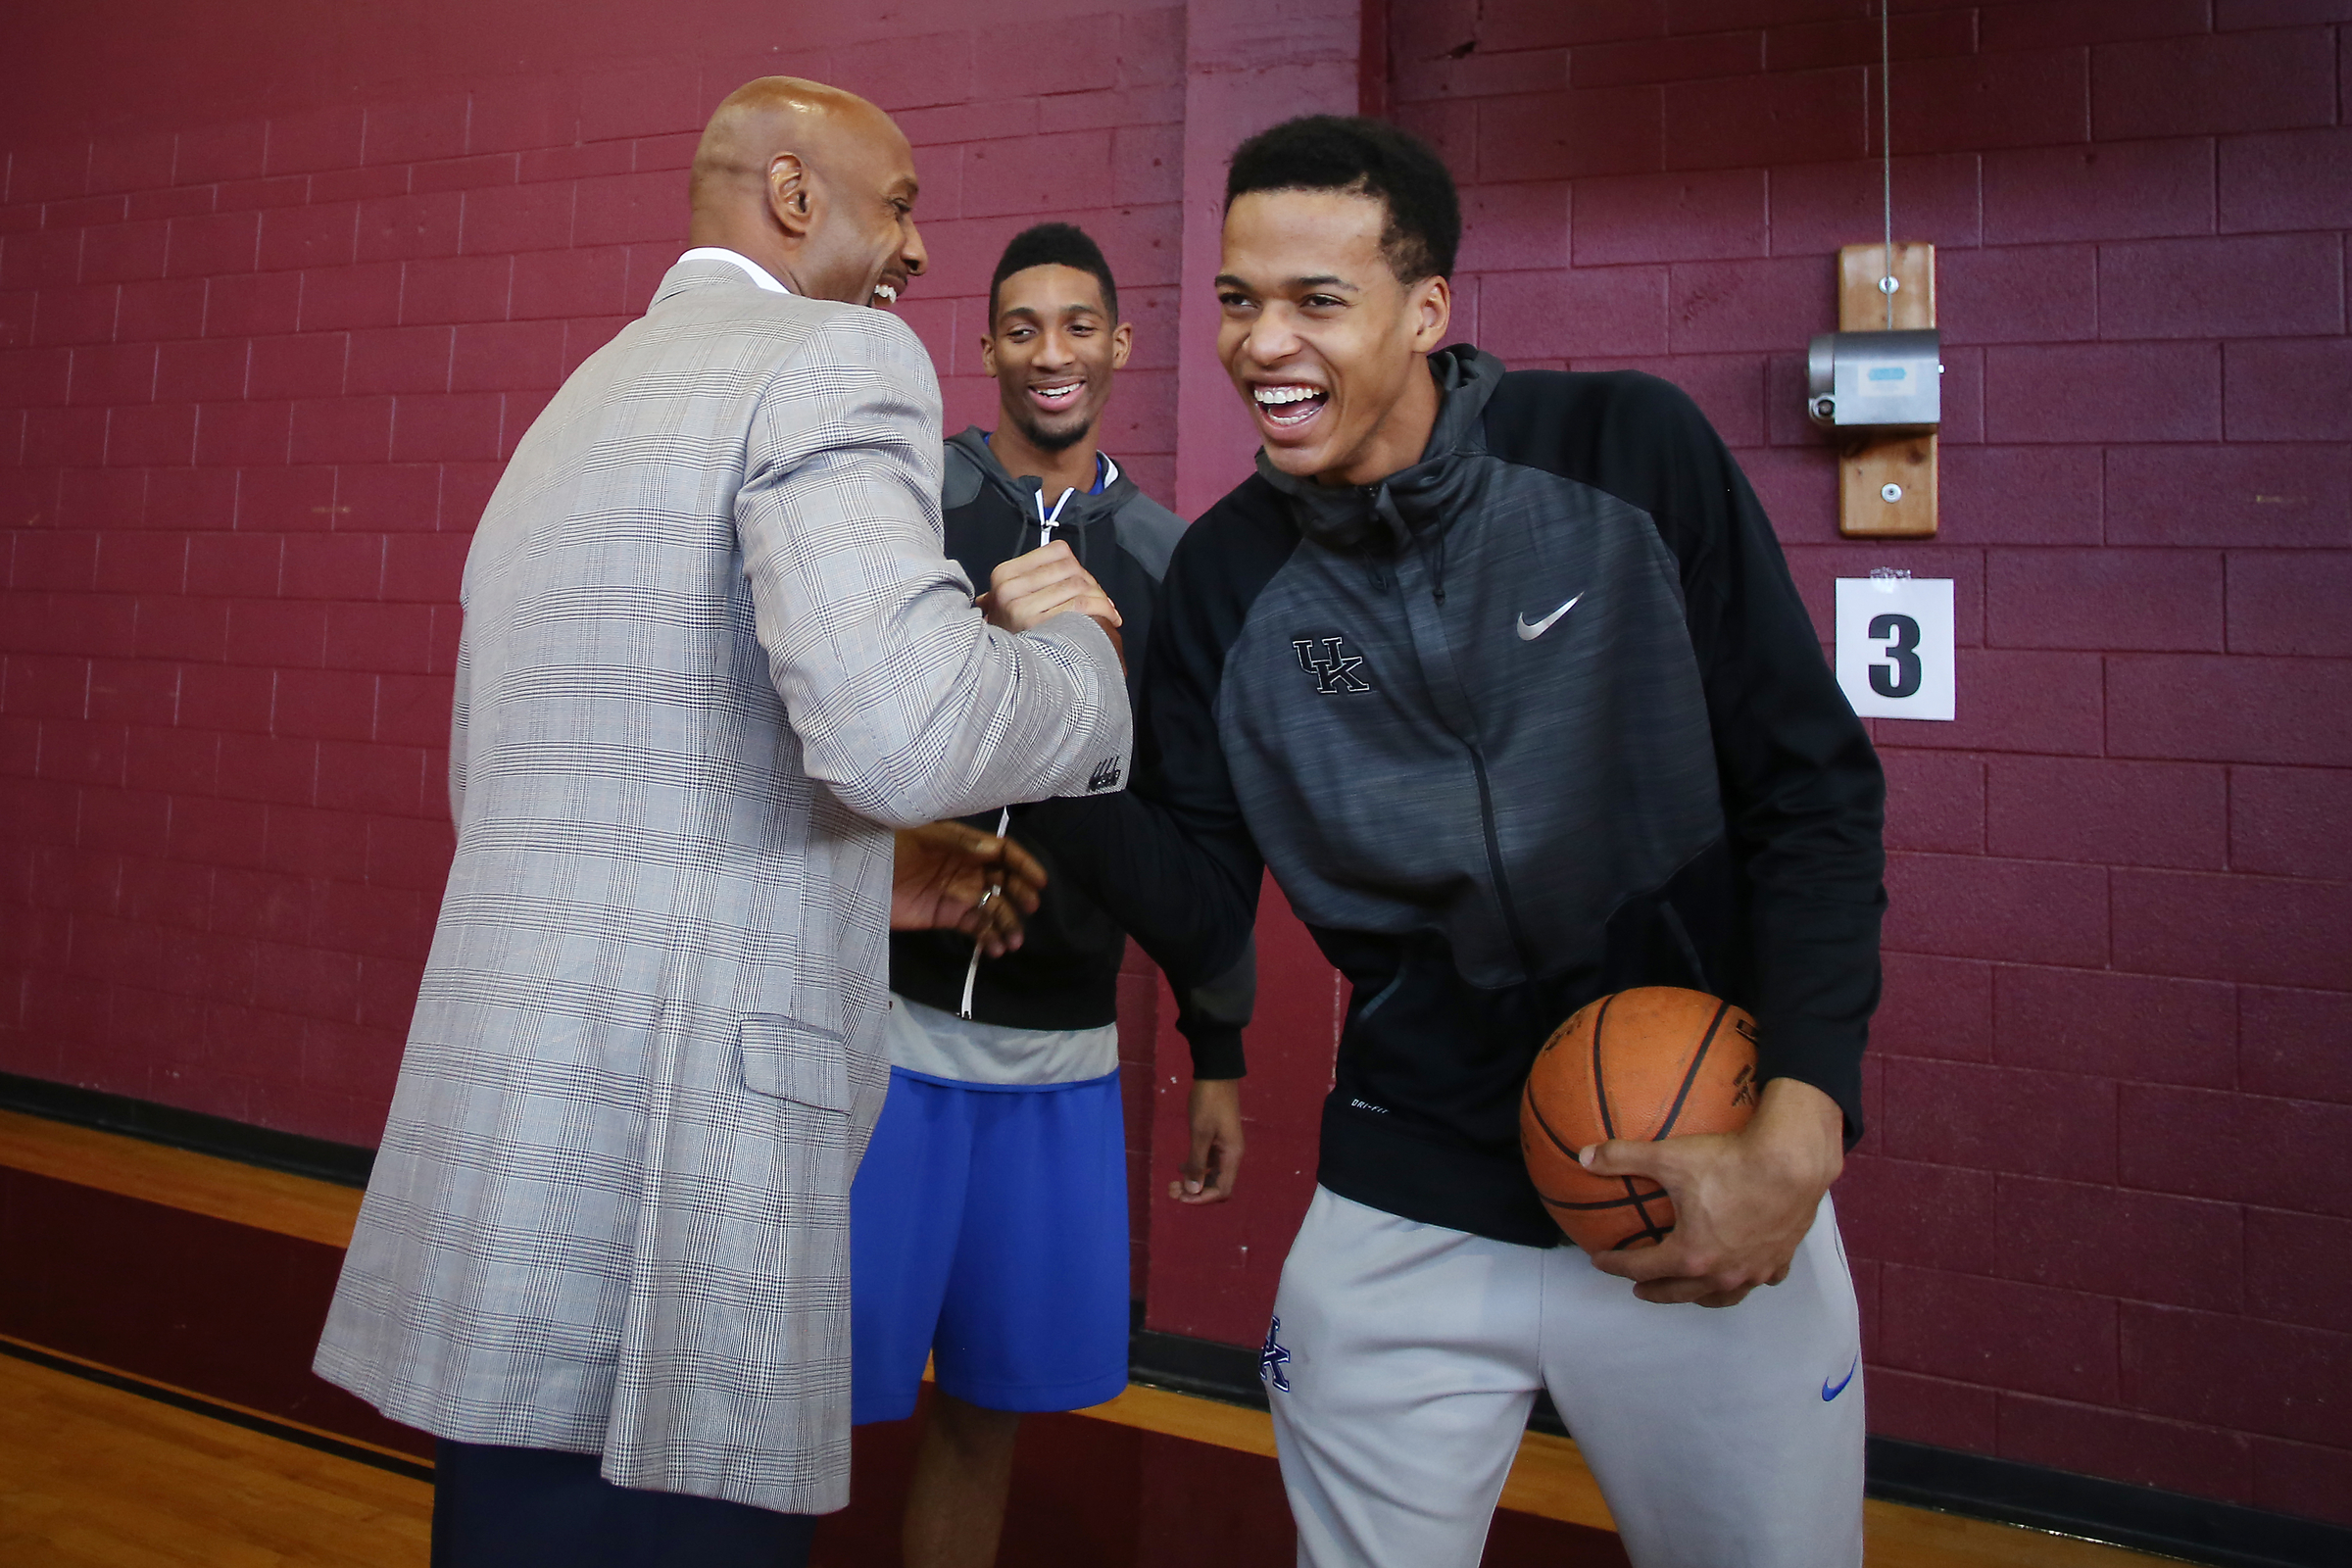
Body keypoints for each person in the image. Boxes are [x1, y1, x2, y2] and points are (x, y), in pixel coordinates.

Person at [313, 78, 1135, 1568]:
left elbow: (557, 772)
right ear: (796, 197)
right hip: (681, 1161)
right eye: (900, 207)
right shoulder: (836, 358)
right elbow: (909, 730)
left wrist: (851, 876)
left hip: (517, 1132)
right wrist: (1079, 661)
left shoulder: (579, 403)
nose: (920, 260)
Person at [1042, 117, 1885, 1567]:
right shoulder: (1231, 581)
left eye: (1319, 300)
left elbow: (1812, 789)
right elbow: (1197, 904)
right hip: (1411, 1181)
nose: (1263, 344)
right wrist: (1046, 730)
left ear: (1426, 312)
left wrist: (1804, 1115)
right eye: (1240, 299)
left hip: (1699, 1145)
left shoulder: (1627, 454)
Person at [851, 221, 1253, 1568]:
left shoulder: (1170, 558)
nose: (1051, 354)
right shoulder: (917, 506)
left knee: (987, 1417)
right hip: (876, 1032)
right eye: (1023, 327)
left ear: (1121, 345)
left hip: (1057, 1054)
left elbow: (1208, 831)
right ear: (989, 347)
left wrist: (1219, 1051)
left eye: (1078, 325)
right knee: (797, 1400)